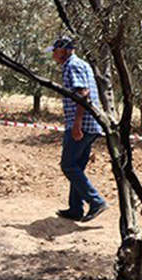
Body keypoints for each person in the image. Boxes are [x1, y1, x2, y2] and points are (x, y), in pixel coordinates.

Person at [47, 36, 109, 222]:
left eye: (55, 50)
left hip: (83, 126)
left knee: (68, 165)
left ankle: (96, 201)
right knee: (77, 166)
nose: (53, 54)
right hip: (91, 125)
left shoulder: (71, 66)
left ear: (65, 50)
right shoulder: (80, 64)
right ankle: (75, 209)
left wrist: (76, 124)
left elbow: (83, 94)